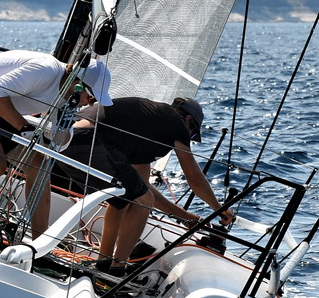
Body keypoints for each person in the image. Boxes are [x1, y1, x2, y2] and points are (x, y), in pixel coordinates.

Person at [0, 49, 112, 236]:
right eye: (91, 98)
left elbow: (60, 144)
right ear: (78, 84)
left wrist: (65, 123)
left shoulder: (67, 98)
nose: (89, 104)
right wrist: (24, 128)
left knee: (39, 165)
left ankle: (39, 239)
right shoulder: (46, 69)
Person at [58, 96, 234, 285]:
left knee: (123, 196)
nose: (188, 137)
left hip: (64, 138)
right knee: (137, 198)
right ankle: (116, 272)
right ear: (189, 120)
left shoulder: (149, 126)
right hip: (88, 139)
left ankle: (103, 265)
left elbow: (143, 189)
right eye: (191, 135)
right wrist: (220, 209)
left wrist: (186, 217)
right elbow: (194, 178)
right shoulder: (177, 122)